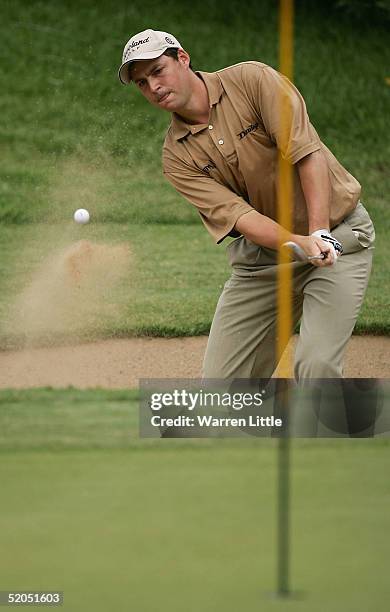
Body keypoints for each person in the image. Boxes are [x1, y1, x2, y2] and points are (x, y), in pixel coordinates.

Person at [118, 29, 375, 380]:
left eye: (157, 71)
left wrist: (318, 233)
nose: (153, 87)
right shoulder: (176, 157)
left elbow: (306, 152)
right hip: (265, 262)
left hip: (340, 237)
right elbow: (241, 217)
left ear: (182, 58)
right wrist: (299, 244)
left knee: (317, 368)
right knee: (219, 392)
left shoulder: (251, 80)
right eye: (142, 83)